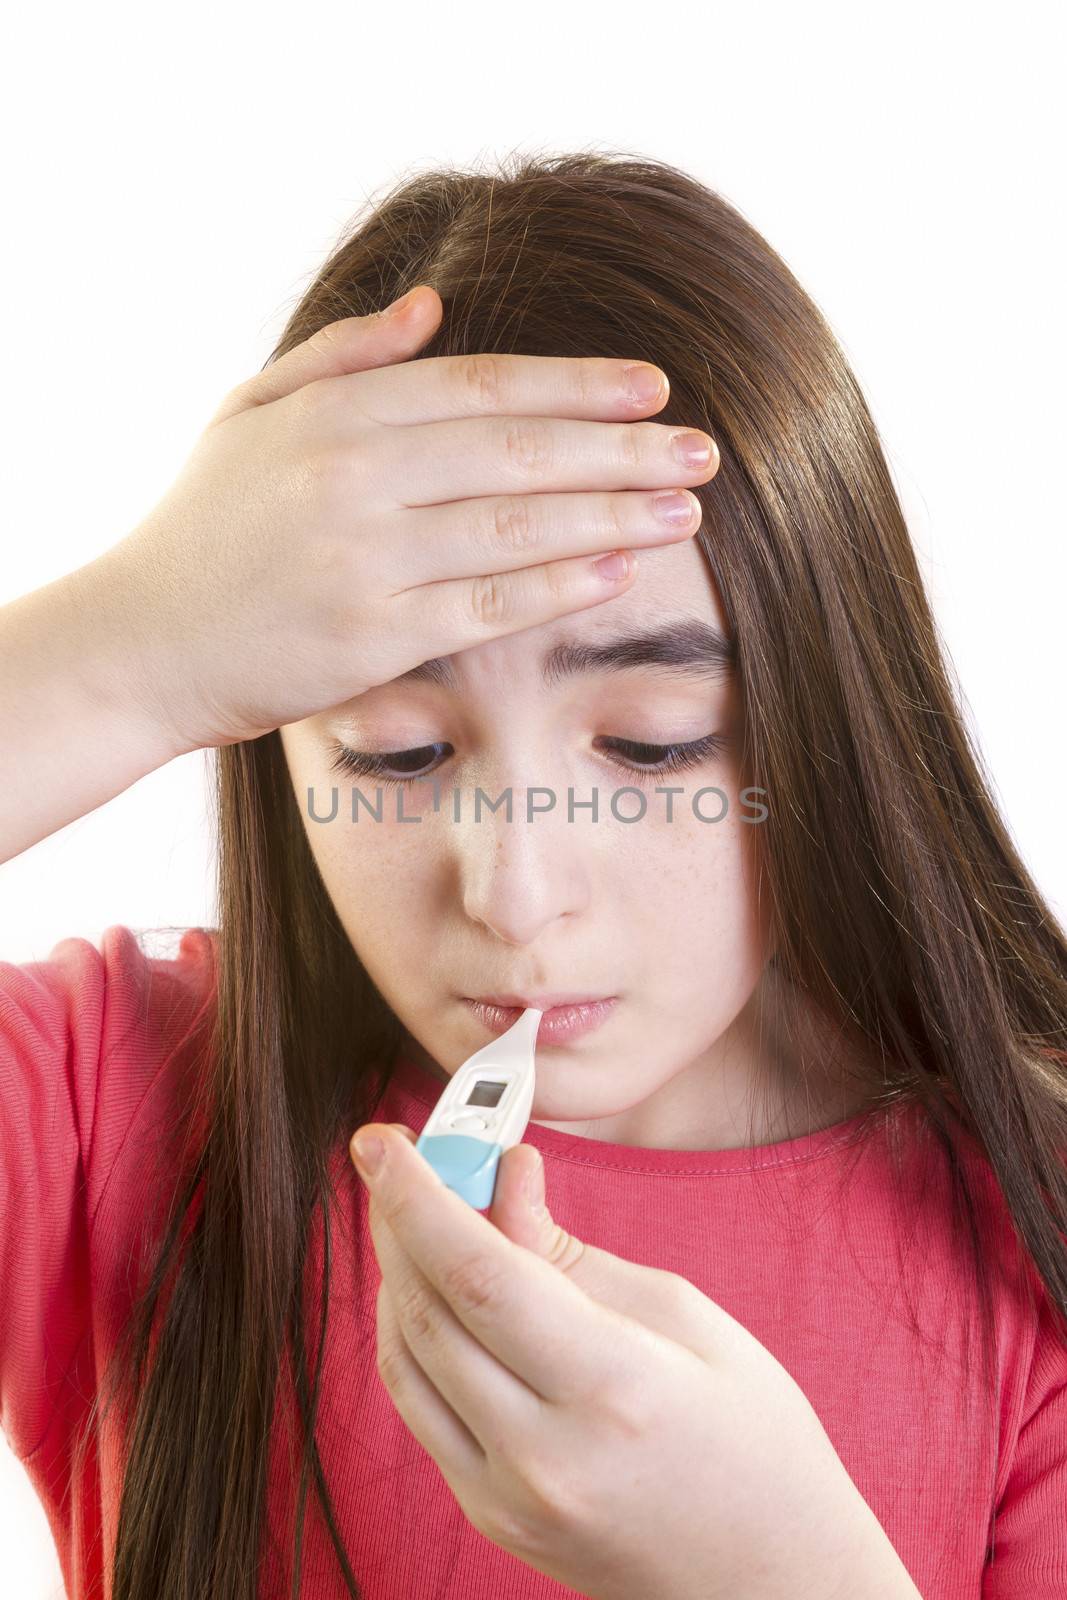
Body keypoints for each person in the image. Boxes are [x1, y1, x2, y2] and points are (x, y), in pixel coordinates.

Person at [1, 150, 1064, 1600]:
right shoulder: (107, 1105)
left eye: (648, 741)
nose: (513, 892)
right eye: (391, 752)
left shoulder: (1035, 1230)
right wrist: (119, 646)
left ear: (831, 719)